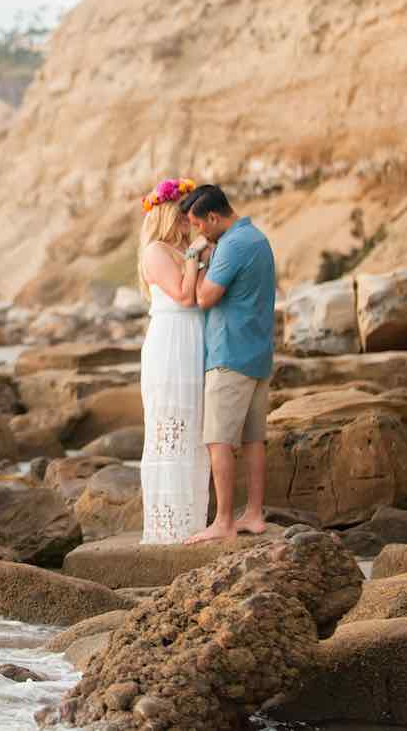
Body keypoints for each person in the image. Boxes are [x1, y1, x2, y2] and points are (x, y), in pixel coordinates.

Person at [178, 184, 277, 544]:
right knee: (253, 440)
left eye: (198, 224)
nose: (198, 232)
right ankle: (253, 513)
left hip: (229, 355)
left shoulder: (232, 245)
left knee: (218, 440)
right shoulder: (258, 238)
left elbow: (204, 298)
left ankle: (223, 521)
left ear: (214, 217)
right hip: (259, 354)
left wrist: (195, 259)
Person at [136, 178, 212, 544]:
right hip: (171, 341)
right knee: (170, 428)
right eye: (186, 211)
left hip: (194, 338)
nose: (191, 218)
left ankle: (193, 522)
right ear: (170, 214)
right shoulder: (156, 251)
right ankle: (168, 530)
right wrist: (197, 254)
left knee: (194, 429)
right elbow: (184, 297)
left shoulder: (181, 251)